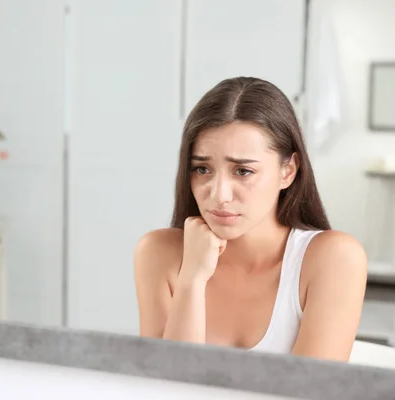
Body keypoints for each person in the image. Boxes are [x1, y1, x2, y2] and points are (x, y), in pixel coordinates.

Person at [133, 77, 367, 362]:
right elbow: (161, 387)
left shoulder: (333, 259)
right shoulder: (160, 253)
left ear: (288, 171)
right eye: (202, 169)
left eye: (243, 171)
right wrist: (191, 281)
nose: (219, 195)